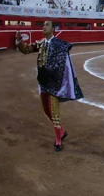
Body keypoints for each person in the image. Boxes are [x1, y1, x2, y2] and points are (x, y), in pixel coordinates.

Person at [15, 20, 83, 151]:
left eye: (47, 25)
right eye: (43, 25)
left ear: (53, 29)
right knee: (47, 110)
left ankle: (58, 140)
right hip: (43, 81)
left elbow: (63, 64)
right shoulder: (41, 43)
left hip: (54, 82)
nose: (44, 27)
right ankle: (61, 131)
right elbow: (26, 50)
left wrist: (54, 75)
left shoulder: (59, 44)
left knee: (54, 111)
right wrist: (19, 42)